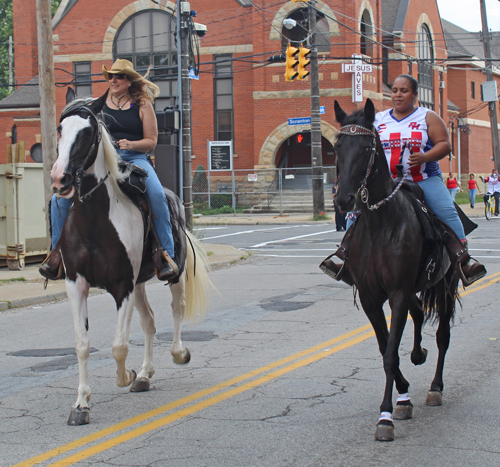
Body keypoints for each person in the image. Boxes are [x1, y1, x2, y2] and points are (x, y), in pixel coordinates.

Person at [321, 74, 486, 287]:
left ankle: (463, 260)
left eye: (404, 90)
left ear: (415, 95)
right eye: (395, 90)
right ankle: (346, 258)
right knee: (355, 215)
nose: (398, 94)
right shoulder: (378, 120)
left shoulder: (427, 116)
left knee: (447, 212)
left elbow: (445, 144)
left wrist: (425, 156)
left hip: (422, 178)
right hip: (384, 184)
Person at [40, 59, 178, 282]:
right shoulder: (98, 104)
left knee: (157, 195)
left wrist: (132, 145)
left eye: (119, 76)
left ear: (129, 80)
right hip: (103, 161)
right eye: (110, 76)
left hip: (134, 159)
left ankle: (166, 255)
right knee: (58, 199)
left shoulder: (142, 104)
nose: (113, 80)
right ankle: (56, 253)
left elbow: (152, 141)